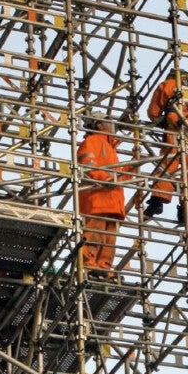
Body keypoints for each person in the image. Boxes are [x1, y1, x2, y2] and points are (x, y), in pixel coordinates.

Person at [143, 69, 188, 223]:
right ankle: (187, 206)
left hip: (176, 124)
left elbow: (153, 112)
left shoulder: (168, 84)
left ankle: (157, 200)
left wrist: (161, 119)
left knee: (168, 162)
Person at [76, 116, 128, 272]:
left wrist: (133, 166)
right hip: (98, 198)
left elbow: (120, 177)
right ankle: (88, 265)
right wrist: (104, 178)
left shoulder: (110, 148)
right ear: (98, 125)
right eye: (108, 121)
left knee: (108, 241)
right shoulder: (92, 141)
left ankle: (103, 268)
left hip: (112, 201)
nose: (113, 124)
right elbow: (87, 165)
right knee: (94, 235)